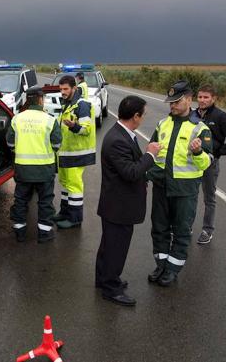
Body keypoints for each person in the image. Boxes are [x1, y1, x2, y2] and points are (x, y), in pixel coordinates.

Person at [147, 80, 213, 287]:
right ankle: (161, 264)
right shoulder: (162, 124)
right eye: (170, 102)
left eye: (176, 102)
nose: (172, 106)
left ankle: (173, 270)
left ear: (188, 100)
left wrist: (198, 152)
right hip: (161, 186)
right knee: (159, 228)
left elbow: (206, 163)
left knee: (182, 231)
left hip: (185, 190)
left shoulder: (200, 129)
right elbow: (152, 153)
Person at [96, 96, 161, 306]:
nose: (144, 118)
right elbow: (131, 172)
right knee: (116, 247)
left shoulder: (123, 134)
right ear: (135, 116)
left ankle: (103, 278)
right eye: (143, 114)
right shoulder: (117, 140)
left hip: (116, 204)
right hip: (118, 206)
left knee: (109, 245)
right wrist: (150, 156)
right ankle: (111, 288)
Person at [6, 86, 62, 243]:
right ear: (40, 100)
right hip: (45, 169)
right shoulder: (50, 119)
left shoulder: (17, 119)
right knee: (45, 201)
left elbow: (10, 143)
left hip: (23, 169)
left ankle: (20, 233)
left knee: (21, 200)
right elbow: (57, 144)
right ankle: (44, 234)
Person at [191, 84, 226, 244]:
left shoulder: (221, 116)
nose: (202, 100)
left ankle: (207, 230)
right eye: (200, 97)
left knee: (209, 198)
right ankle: (186, 227)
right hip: (192, 162)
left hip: (209, 164)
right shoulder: (192, 115)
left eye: (206, 97)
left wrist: (218, 153)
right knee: (190, 196)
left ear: (213, 99)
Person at [53, 75, 96, 229]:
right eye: (61, 89)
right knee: (64, 184)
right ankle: (64, 213)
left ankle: (75, 219)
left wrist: (73, 126)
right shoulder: (67, 104)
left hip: (76, 154)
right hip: (65, 152)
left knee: (74, 186)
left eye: (65, 89)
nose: (62, 92)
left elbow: (86, 129)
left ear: (74, 88)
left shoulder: (81, 105)